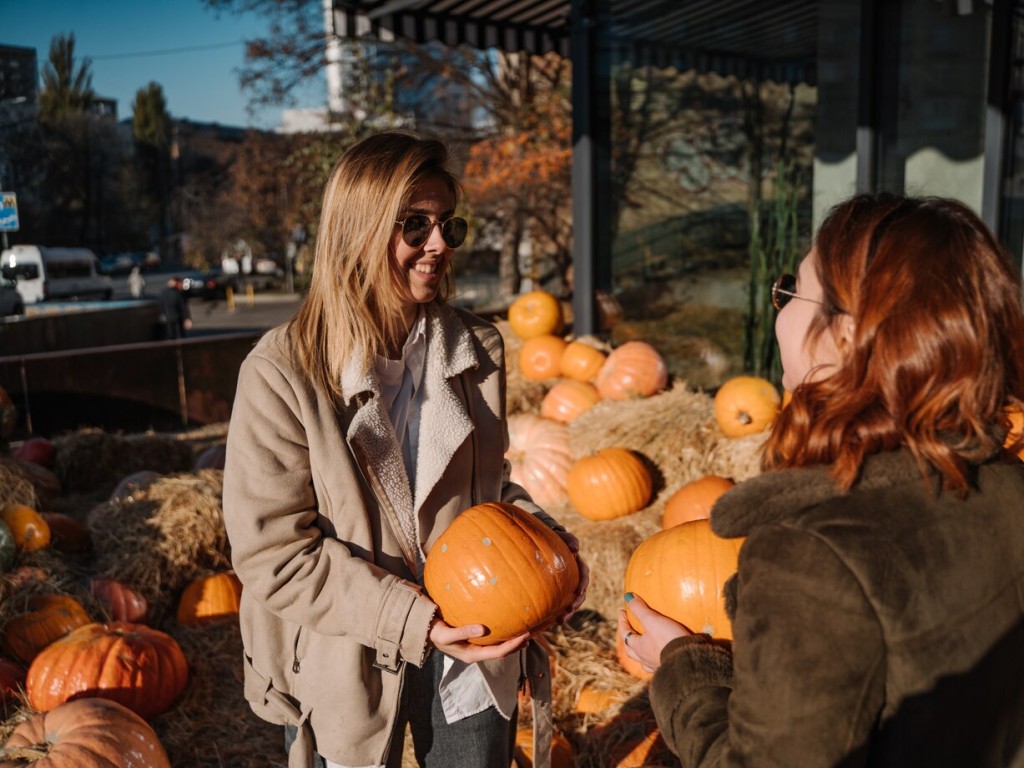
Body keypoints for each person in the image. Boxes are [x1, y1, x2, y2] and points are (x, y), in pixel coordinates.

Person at [222, 131, 588, 768]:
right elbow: (273, 554)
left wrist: (544, 545)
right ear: (357, 231)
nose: (439, 244)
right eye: (414, 226)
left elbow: (489, 491)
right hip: (346, 637)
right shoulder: (282, 373)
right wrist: (413, 619)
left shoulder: (478, 350)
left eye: (448, 224)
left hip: (477, 631)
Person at [620, 193, 1024, 766]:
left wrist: (685, 667)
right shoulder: (1010, 486)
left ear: (845, 335)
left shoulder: (815, 552)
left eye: (791, 291)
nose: (779, 308)